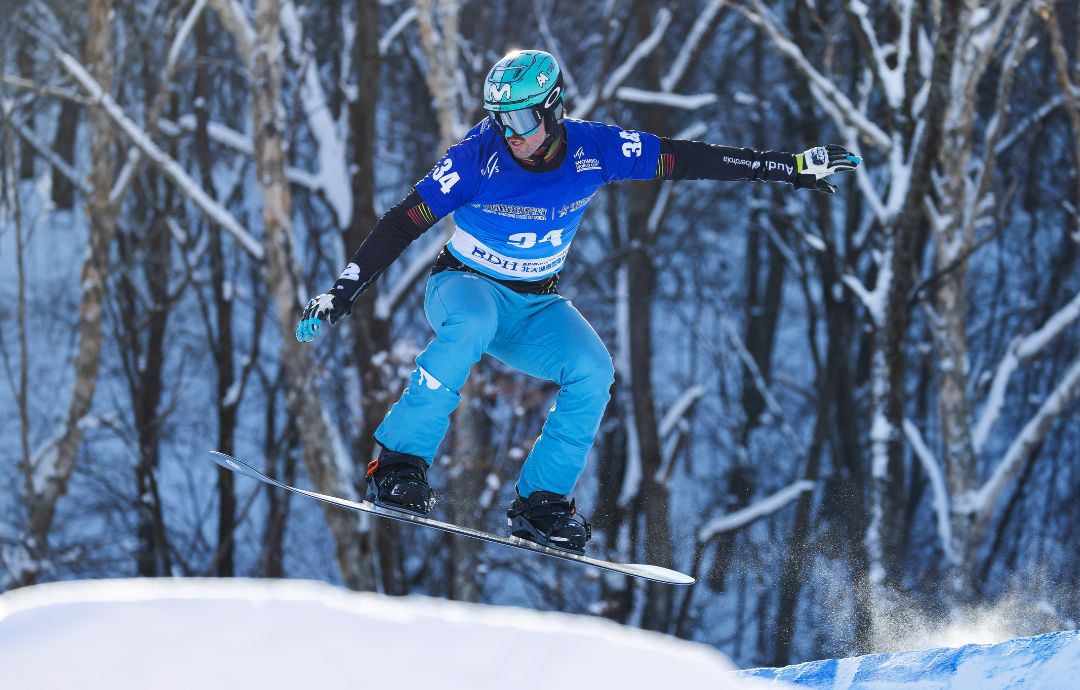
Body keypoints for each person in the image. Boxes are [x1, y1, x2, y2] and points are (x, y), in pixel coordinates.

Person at [295, 49, 859, 553]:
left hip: (535, 306)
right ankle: (397, 463)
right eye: (500, 119)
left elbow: (686, 159)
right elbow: (403, 221)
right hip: (463, 285)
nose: (510, 133)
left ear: (552, 109)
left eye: (520, 118)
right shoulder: (476, 157)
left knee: (593, 369)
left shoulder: (596, 149)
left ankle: (542, 503)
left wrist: (788, 168)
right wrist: (344, 289)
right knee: (469, 327)